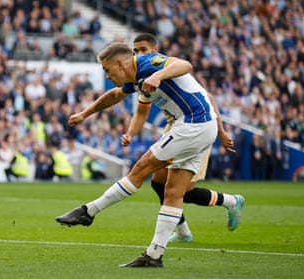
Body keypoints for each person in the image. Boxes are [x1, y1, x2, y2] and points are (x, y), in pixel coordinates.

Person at [55, 42, 244, 268]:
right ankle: (154, 255)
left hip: (193, 124)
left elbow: (185, 64)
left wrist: (158, 76)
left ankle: (89, 211)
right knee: (172, 192)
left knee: (140, 170)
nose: (107, 75)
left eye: (107, 70)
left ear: (119, 63)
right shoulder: (134, 80)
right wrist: (86, 114)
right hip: (200, 127)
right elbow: (115, 95)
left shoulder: (148, 63)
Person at [131, 33, 243, 243]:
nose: (139, 54)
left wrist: (220, 131)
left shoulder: (168, 68)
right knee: (158, 183)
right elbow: (140, 110)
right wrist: (129, 133)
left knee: (184, 191)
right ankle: (183, 231)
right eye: (135, 51)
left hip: (197, 127)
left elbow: (207, 98)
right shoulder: (143, 75)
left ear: (155, 49)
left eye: (143, 50)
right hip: (174, 128)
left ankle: (231, 201)